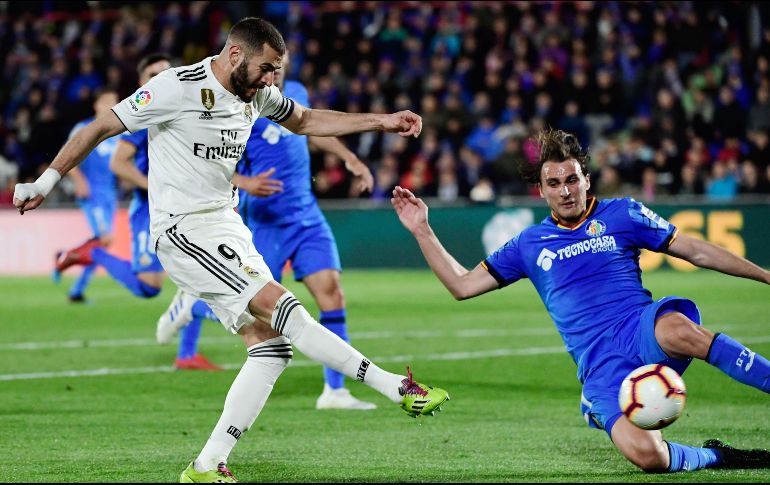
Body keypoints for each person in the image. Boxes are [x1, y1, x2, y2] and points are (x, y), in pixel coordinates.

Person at [13, 17, 449, 483]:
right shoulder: (176, 87)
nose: (272, 80)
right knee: (285, 308)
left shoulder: (257, 93)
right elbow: (100, 127)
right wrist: (47, 180)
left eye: (277, 71)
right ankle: (395, 387)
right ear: (236, 55)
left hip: (226, 224)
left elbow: (304, 119)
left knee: (271, 348)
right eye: (267, 68)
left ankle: (206, 465)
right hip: (182, 230)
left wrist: (381, 121)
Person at [391, 128, 770, 473]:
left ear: (586, 180)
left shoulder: (623, 213)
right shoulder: (527, 244)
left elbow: (696, 251)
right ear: (541, 191)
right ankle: (717, 456)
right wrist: (422, 231)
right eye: (553, 183)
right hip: (599, 365)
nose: (565, 190)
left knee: (678, 328)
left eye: (572, 179)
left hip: (639, 329)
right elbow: (462, 285)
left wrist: (766, 276)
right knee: (649, 457)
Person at [55, 53, 223, 370]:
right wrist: (154, 185)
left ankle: (187, 354)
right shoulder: (142, 116)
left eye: (166, 72)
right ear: (142, 82)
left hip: (187, 208)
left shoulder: (188, 112)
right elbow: (119, 164)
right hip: (150, 209)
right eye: (153, 73)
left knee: (199, 278)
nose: (161, 77)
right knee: (149, 287)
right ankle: (94, 256)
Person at [234, 49, 376, 410]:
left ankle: (334, 391)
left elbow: (311, 127)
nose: (274, 73)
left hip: (306, 216)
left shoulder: (295, 91)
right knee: (259, 316)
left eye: (277, 66)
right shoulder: (240, 106)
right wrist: (245, 183)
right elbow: (212, 160)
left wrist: (351, 159)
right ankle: (189, 307)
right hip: (266, 220)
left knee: (331, 293)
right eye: (267, 67)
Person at [54, 87, 120, 302]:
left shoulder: (118, 132)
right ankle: (74, 281)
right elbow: (66, 155)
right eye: (108, 100)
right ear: (97, 105)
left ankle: (68, 261)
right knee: (103, 240)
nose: (113, 105)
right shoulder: (83, 128)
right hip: (92, 193)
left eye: (115, 101)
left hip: (110, 194)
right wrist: (79, 180)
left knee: (102, 243)